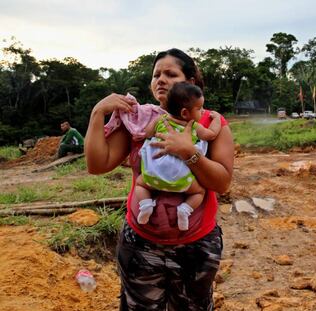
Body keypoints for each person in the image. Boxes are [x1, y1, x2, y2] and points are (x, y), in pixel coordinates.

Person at [84, 48, 234, 310]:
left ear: (190, 82)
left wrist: (188, 152)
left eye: (170, 74)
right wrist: (98, 113)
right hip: (140, 245)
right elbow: (97, 165)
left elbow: (222, 183)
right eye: (156, 75)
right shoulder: (139, 120)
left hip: (195, 247)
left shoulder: (210, 122)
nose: (160, 79)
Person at [136, 82, 222, 231]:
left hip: (153, 175)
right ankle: (185, 210)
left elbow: (148, 133)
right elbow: (211, 134)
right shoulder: (194, 126)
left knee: (139, 184)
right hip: (181, 179)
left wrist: (155, 125)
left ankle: (146, 205)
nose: (202, 112)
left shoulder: (161, 119)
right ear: (184, 113)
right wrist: (217, 119)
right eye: (199, 108)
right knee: (199, 192)